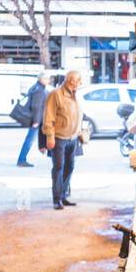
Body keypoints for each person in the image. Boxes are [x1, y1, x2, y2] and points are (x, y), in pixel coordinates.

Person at [42, 70, 86, 210]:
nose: (80, 83)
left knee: (70, 166)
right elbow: (48, 118)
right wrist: (49, 136)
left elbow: (77, 116)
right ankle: (57, 199)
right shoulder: (56, 94)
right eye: (79, 81)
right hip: (59, 139)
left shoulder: (75, 95)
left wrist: (80, 133)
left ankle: (63, 195)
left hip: (72, 139)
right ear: (70, 81)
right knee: (58, 168)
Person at [15, 73, 49, 167]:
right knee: (30, 140)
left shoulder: (36, 87)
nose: (48, 80)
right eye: (46, 78)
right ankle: (21, 160)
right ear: (40, 79)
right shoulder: (39, 90)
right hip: (36, 120)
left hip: (36, 119)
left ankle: (22, 159)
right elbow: (36, 107)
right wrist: (36, 121)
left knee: (31, 139)